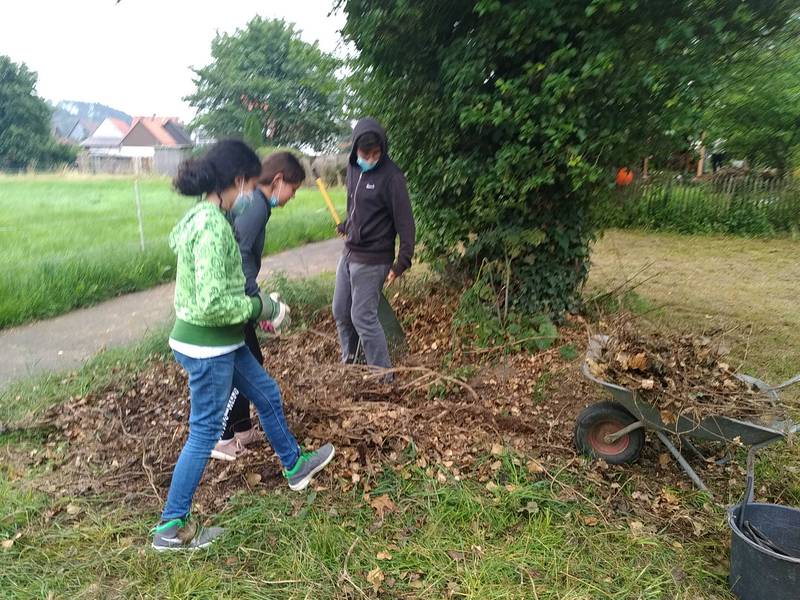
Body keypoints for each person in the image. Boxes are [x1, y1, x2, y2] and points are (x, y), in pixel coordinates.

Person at [151, 140, 334, 551]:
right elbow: (215, 303)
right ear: (237, 181)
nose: (254, 194)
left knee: (266, 392)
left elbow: (216, 290)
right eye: (252, 185)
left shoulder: (204, 215)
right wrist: (261, 304)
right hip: (210, 347)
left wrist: (254, 309)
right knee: (203, 434)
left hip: (221, 341)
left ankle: (295, 467)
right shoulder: (214, 227)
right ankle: (170, 526)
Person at [211, 152, 306, 461]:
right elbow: (240, 255)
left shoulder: (256, 203)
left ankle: (241, 428)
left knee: (253, 359)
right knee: (243, 367)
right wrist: (258, 301)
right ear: (278, 180)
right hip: (236, 299)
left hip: (242, 297)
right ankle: (222, 437)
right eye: (293, 188)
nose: (293, 196)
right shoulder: (256, 207)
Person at [332, 118, 415, 370]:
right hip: (350, 252)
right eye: (365, 153)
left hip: (374, 258)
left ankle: (382, 376)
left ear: (383, 149)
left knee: (363, 317)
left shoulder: (392, 177)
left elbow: (406, 223)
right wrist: (347, 225)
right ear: (355, 148)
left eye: (376, 154)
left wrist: (402, 262)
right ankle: (352, 364)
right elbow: (356, 206)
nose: (370, 158)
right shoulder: (354, 168)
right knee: (341, 311)